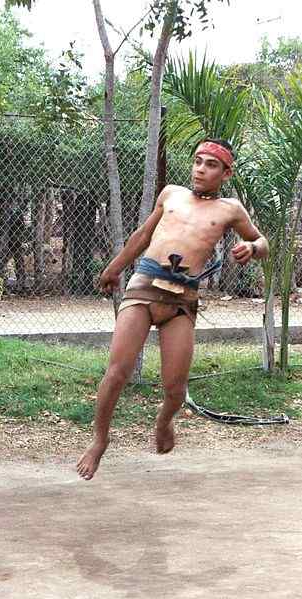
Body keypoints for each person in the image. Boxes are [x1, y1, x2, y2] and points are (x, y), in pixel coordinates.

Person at [76, 138, 269, 481]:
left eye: (211, 164)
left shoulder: (230, 209)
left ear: (226, 172)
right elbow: (142, 236)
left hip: (181, 302)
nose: (201, 169)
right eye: (198, 161)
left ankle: (164, 421)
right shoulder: (171, 194)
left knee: (176, 388)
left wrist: (251, 248)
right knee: (117, 372)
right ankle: (99, 441)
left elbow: (262, 242)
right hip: (143, 289)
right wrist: (114, 267)